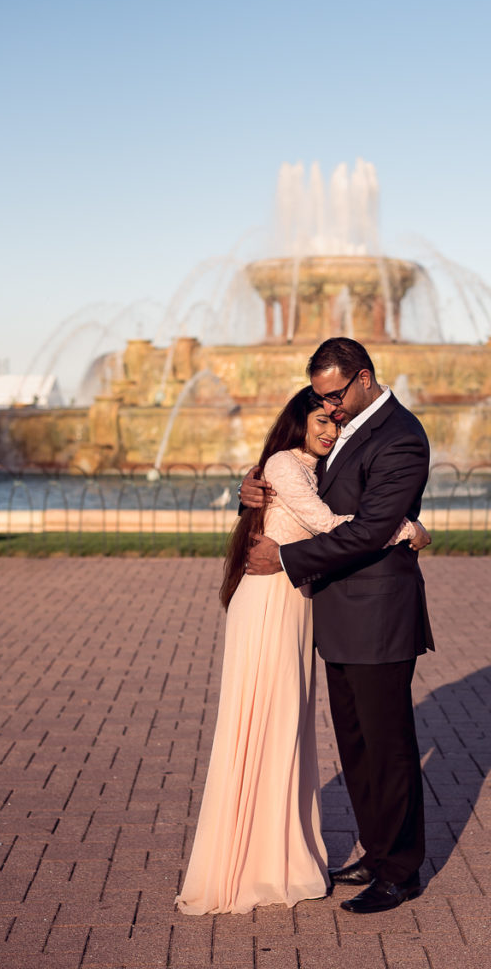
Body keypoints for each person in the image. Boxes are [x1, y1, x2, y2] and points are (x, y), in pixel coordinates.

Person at [175, 387, 427, 916]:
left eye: (336, 416)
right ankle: (260, 860)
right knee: (266, 726)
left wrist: (255, 487)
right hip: (272, 604)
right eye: (322, 417)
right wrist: (402, 528)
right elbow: (324, 521)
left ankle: (339, 858)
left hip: (307, 607)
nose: (332, 428)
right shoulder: (289, 461)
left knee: (291, 731)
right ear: (300, 421)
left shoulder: (372, 443)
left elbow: (306, 505)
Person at [242, 337, 434, 915]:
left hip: (379, 613)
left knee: (389, 745)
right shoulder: (341, 430)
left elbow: (370, 528)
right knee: (355, 745)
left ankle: (401, 872)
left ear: (365, 378)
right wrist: (253, 489)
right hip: (336, 612)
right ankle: (377, 853)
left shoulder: (401, 436)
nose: (329, 409)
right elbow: (298, 486)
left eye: (335, 395)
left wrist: (287, 559)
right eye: (322, 399)